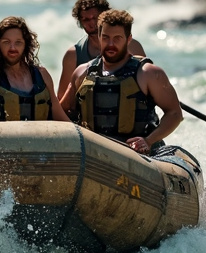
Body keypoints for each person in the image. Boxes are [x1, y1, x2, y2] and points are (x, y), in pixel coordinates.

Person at [60, 9, 182, 155]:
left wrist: (148, 140)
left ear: (129, 39)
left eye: (117, 38)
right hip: (94, 154)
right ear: (98, 36)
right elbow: (63, 112)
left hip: (138, 155)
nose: (111, 44)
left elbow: (174, 113)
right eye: (105, 37)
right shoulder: (82, 73)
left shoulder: (149, 73)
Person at [57, 0, 145, 99]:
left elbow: (148, 86)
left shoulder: (132, 46)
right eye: (86, 20)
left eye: (95, 18)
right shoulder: (73, 55)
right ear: (80, 23)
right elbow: (62, 101)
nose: (92, 23)